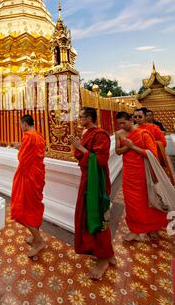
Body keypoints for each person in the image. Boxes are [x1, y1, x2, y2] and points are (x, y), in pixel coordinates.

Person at [69, 107, 115, 280]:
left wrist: (79, 146)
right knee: (88, 216)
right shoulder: (87, 133)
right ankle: (104, 252)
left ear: (89, 118)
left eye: (81, 117)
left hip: (96, 182)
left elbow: (101, 160)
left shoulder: (101, 135)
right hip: (87, 178)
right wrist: (79, 146)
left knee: (98, 216)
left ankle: (103, 259)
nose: (79, 120)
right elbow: (82, 155)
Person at [115, 111, 167, 242]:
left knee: (146, 202)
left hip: (143, 173)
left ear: (130, 120)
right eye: (119, 124)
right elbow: (118, 151)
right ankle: (135, 230)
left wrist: (132, 146)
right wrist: (127, 148)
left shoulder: (143, 133)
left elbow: (152, 154)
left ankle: (151, 227)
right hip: (128, 172)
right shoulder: (118, 134)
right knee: (131, 203)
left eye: (124, 123)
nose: (122, 126)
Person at [10, 114, 46, 257]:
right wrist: (21, 146)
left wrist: (19, 149)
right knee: (34, 206)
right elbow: (34, 151)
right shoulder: (38, 135)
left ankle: (39, 241)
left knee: (23, 208)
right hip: (37, 175)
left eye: (20, 124)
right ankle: (35, 236)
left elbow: (23, 158)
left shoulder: (28, 136)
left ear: (25, 124)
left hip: (28, 176)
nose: (21, 127)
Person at [134, 108, 174, 185]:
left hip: (154, 155)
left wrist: (150, 145)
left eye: (140, 117)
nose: (137, 119)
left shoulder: (154, 127)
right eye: (135, 117)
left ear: (144, 117)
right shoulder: (132, 129)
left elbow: (163, 143)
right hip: (138, 157)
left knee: (155, 181)